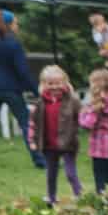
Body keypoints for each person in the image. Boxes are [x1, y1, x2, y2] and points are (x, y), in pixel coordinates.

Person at [29, 66, 82, 203]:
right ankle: (51, 198)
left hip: (68, 143)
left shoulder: (72, 101)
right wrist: (32, 140)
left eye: (58, 83)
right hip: (49, 144)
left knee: (70, 173)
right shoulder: (40, 103)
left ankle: (80, 196)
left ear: (65, 83)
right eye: (50, 83)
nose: (54, 87)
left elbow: (82, 117)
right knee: (51, 174)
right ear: (43, 84)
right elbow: (33, 123)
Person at [0, 10, 40, 168]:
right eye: (16, 23)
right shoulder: (13, 44)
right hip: (11, 90)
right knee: (26, 124)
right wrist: (36, 91)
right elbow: (23, 72)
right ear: (8, 25)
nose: (18, 26)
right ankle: (40, 160)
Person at [78, 68, 108, 197]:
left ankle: (102, 201)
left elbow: (87, 124)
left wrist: (85, 113)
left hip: (99, 149)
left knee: (99, 178)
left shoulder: (97, 104)